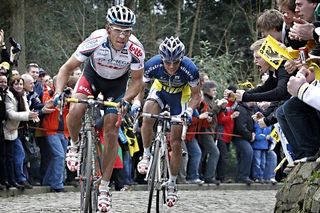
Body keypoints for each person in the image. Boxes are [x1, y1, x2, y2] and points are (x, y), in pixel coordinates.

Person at [53, 5, 144, 212]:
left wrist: (127, 100)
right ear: (108, 28)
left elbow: (138, 82)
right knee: (76, 108)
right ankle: (74, 145)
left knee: (111, 129)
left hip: (117, 87)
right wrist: (59, 93)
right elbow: (66, 69)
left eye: (127, 31)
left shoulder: (136, 49)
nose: (122, 35)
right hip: (92, 78)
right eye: (118, 30)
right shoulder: (95, 40)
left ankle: (104, 187)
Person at [135, 36, 201, 207]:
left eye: (175, 62)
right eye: (167, 62)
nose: (171, 66)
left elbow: (196, 96)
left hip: (180, 97)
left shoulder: (190, 69)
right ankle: (147, 154)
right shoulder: (152, 64)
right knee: (147, 111)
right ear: (161, 58)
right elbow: (140, 87)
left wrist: (188, 111)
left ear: (182, 59)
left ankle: (172, 183)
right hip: (160, 91)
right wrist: (136, 102)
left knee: (176, 140)